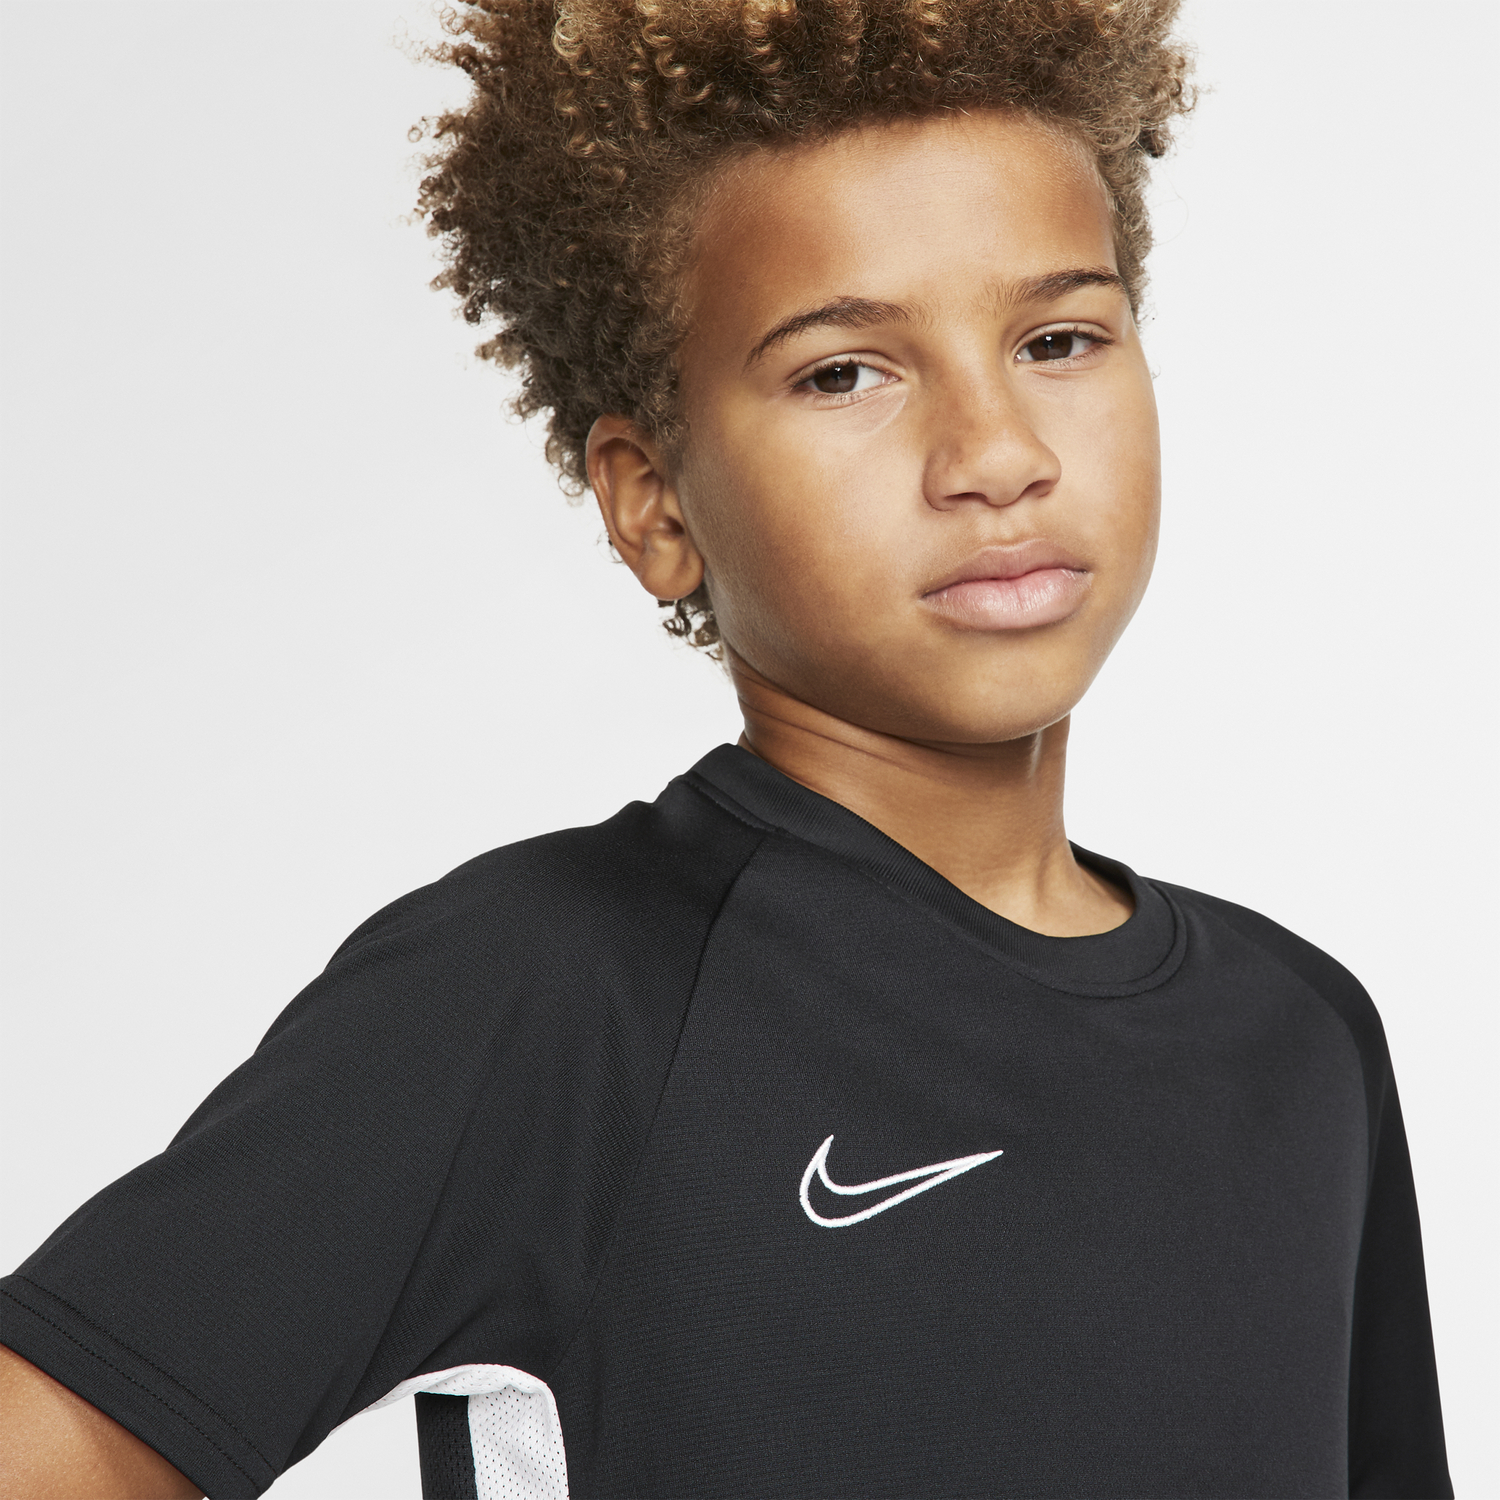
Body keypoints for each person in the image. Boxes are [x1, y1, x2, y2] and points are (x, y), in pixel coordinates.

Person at [0, 0, 1452, 1496]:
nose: (997, 454)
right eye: (845, 373)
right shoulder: (548, 998)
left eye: (1058, 340)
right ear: (653, 503)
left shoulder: (1303, 1034)